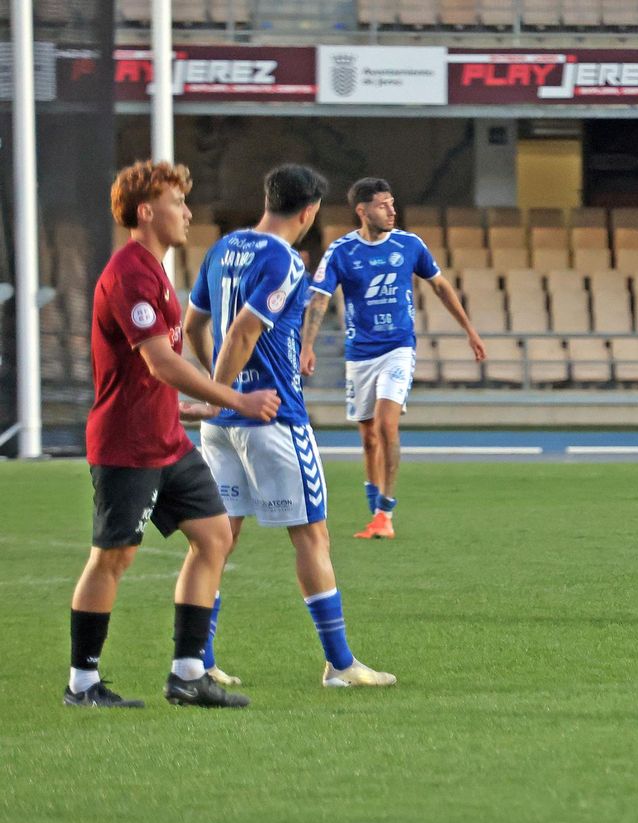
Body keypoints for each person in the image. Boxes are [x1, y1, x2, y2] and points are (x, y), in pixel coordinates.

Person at [67, 160, 274, 709]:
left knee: (215, 536)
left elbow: (148, 375)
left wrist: (182, 409)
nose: (186, 211)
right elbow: (159, 362)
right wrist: (234, 399)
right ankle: (82, 682)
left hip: (166, 439)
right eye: (176, 202)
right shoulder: (129, 274)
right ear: (145, 212)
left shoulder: (154, 270)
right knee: (113, 558)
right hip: (128, 445)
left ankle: (187, 674)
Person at [184, 164, 395, 689]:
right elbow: (243, 332)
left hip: (222, 428)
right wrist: (225, 395)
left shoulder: (223, 248)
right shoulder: (284, 261)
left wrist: (216, 394)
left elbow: (194, 325)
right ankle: (340, 665)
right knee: (311, 536)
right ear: (309, 212)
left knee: (217, 541)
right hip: (271, 417)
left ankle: (198, 659)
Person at [307, 177, 486, 540]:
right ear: (362, 211)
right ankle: (375, 509)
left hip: (398, 349)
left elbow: (440, 286)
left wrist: (469, 329)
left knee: (387, 426)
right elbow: (320, 298)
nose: (392, 210)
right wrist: (306, 345)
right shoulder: (342, 251)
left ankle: (386, 511)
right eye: (383, 205)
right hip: (360, 354)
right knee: (368, 438)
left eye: (392, 203)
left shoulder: (409, 245)